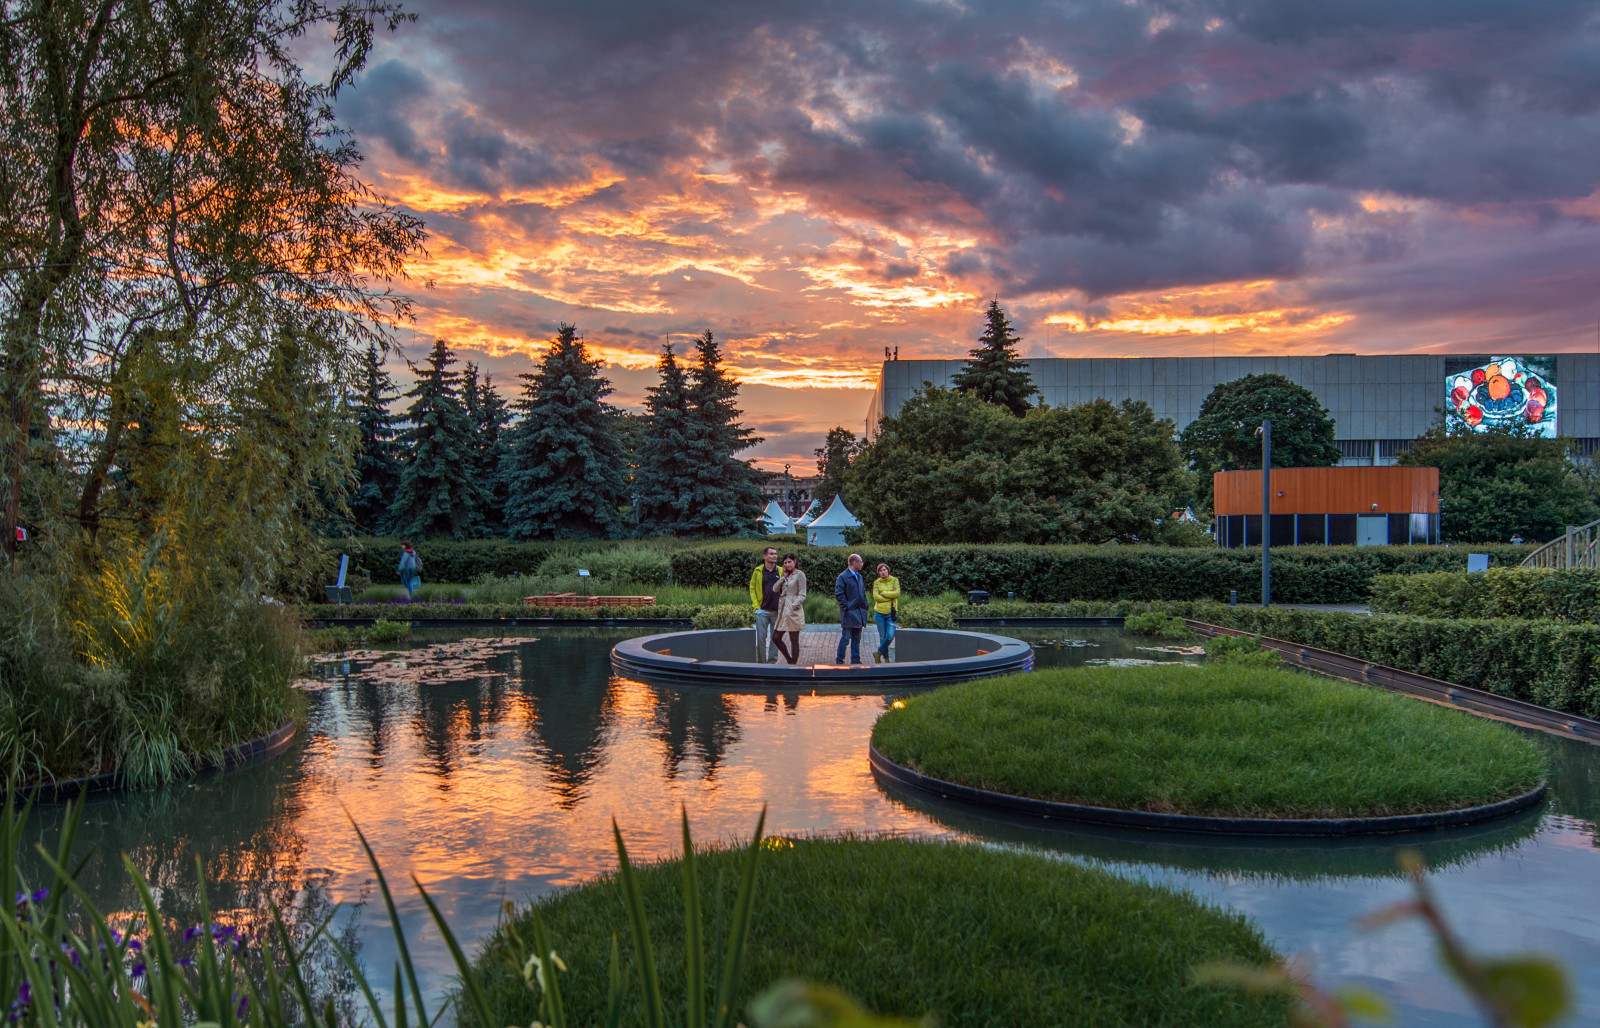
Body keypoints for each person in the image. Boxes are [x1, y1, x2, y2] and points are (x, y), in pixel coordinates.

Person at [747, 545, 784, 663]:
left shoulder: (780, 571)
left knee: (775, 639)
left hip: (777, 611)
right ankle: (762, 663)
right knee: (761, 639)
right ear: (765, 556)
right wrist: (756, 607)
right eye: (772, 554)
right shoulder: (758, 571)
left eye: (776, 554)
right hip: (762, 611)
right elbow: (752, 588)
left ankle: (772, 662)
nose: (775, 556)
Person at [834, 553, 870, 664]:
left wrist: (865, 605)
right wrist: (847, 606)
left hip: (859, 612)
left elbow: (862, 593)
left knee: (857, 638)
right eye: (860, 562)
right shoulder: (843, 577)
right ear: (854, 563)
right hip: (849, 613)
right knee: (846, 638)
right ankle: (840, 660)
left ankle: (855, 660)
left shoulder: (859, 577)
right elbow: (839, 594)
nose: (862, 564)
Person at [773, 552, 807, 665]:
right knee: (776, 637)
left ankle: (793, 665)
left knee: (794, 639)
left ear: (795, 561)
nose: (787, 565)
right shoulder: (785, 576)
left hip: (793, 611)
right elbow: (775, 589)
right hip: (783, 611)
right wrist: (784, 577)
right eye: (785, 563)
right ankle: (789, 660)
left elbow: (802, 594)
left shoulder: (800, 574)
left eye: (789, 562)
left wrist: (794, 605)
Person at [871, 562, 900, 663]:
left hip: (891, 614)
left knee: (890, 635)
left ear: (888, 570)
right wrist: (889, 596)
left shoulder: (894, 580)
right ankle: (886, 659)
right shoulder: (877, 582)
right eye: (880, 570)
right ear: (878, 573)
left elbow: (897, 593)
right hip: (879, 613)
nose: (882, 572)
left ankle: (878, 652)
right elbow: (876, 597)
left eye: (884, 570)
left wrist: (883, 593)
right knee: (882, 636)